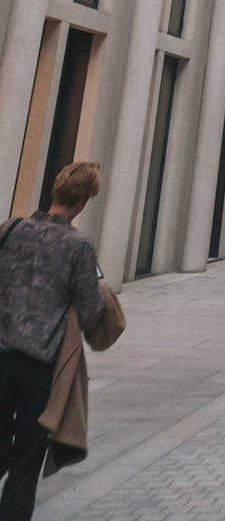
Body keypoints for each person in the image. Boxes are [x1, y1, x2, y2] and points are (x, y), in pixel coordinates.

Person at [0, 162, 106, 520]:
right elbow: (91, 313)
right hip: (40, 371)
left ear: (54, 190)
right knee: (25, 465)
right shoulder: (78, 247)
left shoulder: (11, 230)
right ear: (83, 201)